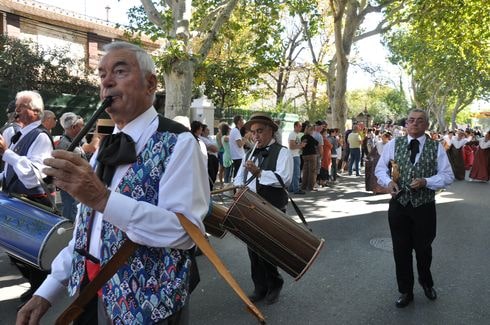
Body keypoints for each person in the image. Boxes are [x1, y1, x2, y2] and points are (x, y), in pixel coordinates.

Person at [17, 41, 210, 324]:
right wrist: (47, 291)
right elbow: (87, 231)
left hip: (149, 307)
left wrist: (103, 199)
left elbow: (185, 233)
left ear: (150, 84)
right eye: (102, 74)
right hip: (90, 296)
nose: (106, 81)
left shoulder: (180, 143)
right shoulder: (105, 147)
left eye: (120, 71)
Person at [375, 109, 454, 308]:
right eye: (411, 120)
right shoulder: (394, 144)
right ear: (406, 124)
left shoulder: (437, 148)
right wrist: (387, 183)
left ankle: (426, 283)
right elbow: (380, 169)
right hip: (399, 206)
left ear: (426, 125)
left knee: (423, 249)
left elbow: (448, 176)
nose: (414, 124)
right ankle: (405, 291)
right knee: (400, 251)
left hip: (424, 207)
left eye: (419, 121)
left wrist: (427, 181)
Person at [0, 90, 54, 305]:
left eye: (20, 106)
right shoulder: (19, 135)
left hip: (32, 202)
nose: (15, 110)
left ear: (34, 111)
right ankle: (35, 287)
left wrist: (6, 153)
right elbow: (10, 171)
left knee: (32, 254)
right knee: (16, 253)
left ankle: (39, 292)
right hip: (17, 201)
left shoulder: (40, 136)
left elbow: (34, 175)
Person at [233, 112, 293, 305]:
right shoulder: (250, 152)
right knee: (253, 251)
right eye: (252, 132)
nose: (256, 136)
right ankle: (260, 287)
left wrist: (259, 173)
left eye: (260, 131)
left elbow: (284, 180)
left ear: (271, 131)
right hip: (250, 208)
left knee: (267, 250)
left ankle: (275, 283)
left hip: (273, 208)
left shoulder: (283, 152)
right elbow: (239, 177)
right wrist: (236, 188)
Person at [55, 112, 100, 221]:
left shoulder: (74, 141)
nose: (84, 128)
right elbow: (92, 148)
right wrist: (97, 134)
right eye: (82, 126)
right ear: (74, 127)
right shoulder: (67, 144)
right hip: (71, 186)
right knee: (71, 214)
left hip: (72, 185)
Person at [288, 121, 305, 194]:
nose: (300, 128)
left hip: (295, 155)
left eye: (301, 126)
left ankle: (292, 188)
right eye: (299, 126)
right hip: (294, 156)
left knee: (294, 173)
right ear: (295, 126)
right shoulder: (293, 134)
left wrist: (300, 145)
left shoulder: (295, 134)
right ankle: (296, 189)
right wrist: (301, 146)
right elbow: (291, 146)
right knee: (296, 173)